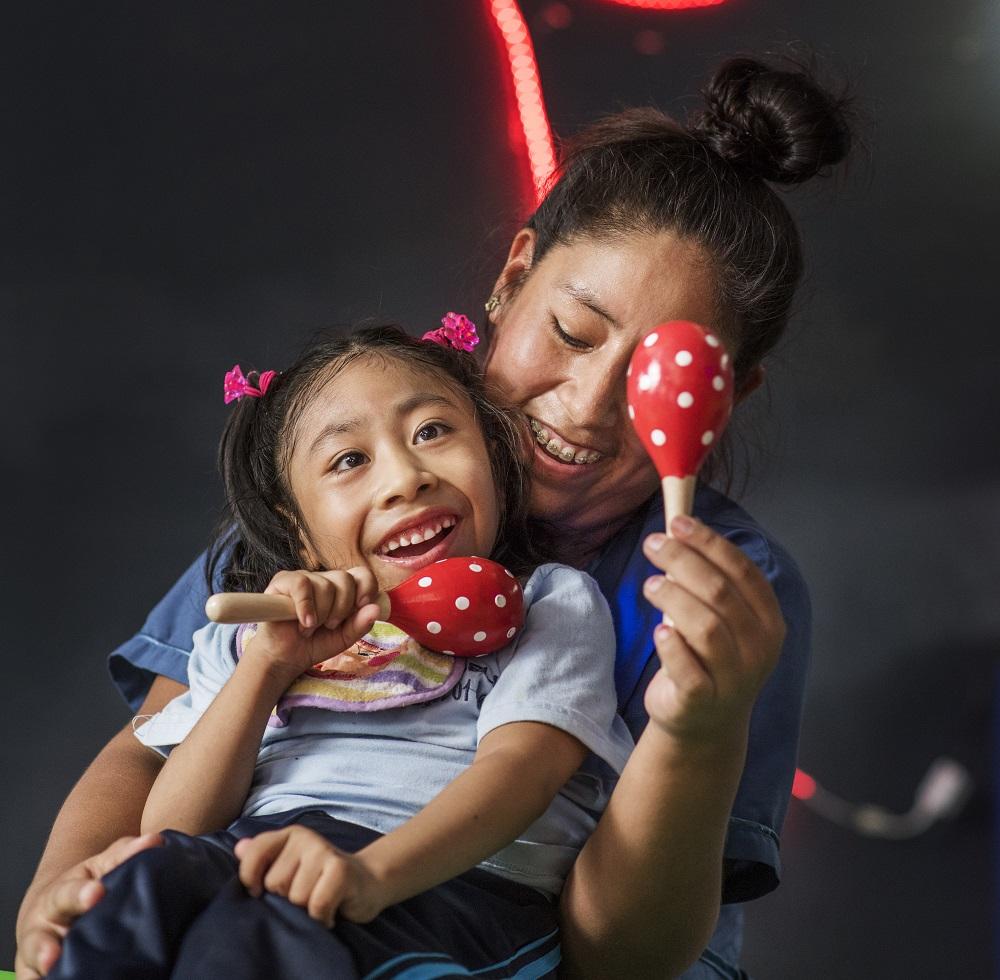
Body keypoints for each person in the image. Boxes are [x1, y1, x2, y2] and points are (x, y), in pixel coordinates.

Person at [16, 57, 852, 979]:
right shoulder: (324, 521)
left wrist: (702, 730)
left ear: (726, 398)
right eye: (573, 334)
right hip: (249, 903)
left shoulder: (720, 595)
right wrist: (58, 911)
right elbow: (145, 760)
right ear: (516, 273)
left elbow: (620, 955)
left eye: (657, 379)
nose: (585, 407)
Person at [45, 323, 634, 978]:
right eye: (349, 460)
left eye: (433, 432)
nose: (407, 479)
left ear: (493, 458)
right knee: (137, 893)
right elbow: (178, 823)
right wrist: (268, 666)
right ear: (296, 528)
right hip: (255, 868)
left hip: (451, 895)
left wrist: (369, 875)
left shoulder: (548, 604)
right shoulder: (244, 646)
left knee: (253, 949)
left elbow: (524, 771)